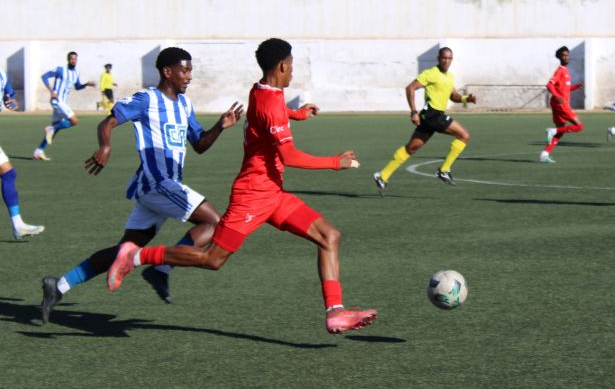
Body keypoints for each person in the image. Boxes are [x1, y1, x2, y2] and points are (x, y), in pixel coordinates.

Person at [104, 38, 377, 335]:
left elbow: (269, 114)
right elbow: (289, 155)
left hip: (273, 193)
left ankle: (335, 312)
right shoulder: (270, 101)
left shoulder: (261, 90)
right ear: (283, 65)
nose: (293, 72)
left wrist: (297, 113)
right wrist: (336, 162)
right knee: (212, 259)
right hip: (252, 196)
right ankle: (135, 256)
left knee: (329, 236)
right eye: (292, 66)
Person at [40, 47, 244, 323]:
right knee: (215, 223)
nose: (189, 76)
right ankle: (161, 269)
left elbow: (199, 145)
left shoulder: (184, 105)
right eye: (184, 71)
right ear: (167, 72)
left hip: (164, 189)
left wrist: (220, 126)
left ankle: (59, 285)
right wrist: (106, 145)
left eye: (191, 71)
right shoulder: (147, 99)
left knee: (123, 249)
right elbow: (108, 121)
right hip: (157, 184)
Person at [373, 47, 476, 193]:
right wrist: (414, 112)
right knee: (464, 135)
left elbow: (453, 96)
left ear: (452, 60)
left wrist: (467, 99)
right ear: (438, 59)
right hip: (432, 115)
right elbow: (410, 88)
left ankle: (382, 175)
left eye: (449, 58)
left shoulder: (449, 76)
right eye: (444, 58)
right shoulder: (430, 74)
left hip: (431, 117)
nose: (446, 61)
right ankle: (444, 170)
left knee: (411, 148)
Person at [1, 70, 45, 240]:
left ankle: (18, 225)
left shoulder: (3, 75)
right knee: (8, 174)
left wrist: (10, 101)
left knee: (8, 174)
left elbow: (8, 96)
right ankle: (18, 225)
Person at [34, 51, 96, 161]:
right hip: (57, 100)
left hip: (63, 102)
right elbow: (44, 76)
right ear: (68, 59)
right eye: (72, 59)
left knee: (55, 129)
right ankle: (51, 128)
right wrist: (51, 90)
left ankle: (39, 151)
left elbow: (77, 87)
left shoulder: (76, 72)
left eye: (75, 59)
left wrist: (86, 84)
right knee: (74, 121)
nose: (74, 61)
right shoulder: (60, 69)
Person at [539, 46, 584, 164]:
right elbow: (549, 85)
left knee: (560, 131)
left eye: (567, 55)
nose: (567, 57)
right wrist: (557, 96)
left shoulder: (565, 70)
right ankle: (552, 131)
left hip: (558, 103)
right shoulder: (559, 70)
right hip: (561, 104)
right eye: (564, 55)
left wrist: (576, 87)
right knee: (579, 126)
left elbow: (565, 88)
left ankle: (544, 154)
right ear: (559, 57)